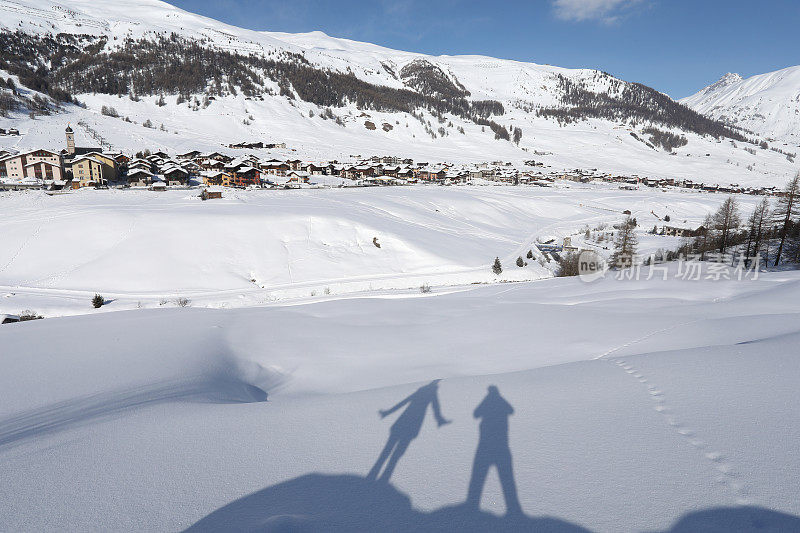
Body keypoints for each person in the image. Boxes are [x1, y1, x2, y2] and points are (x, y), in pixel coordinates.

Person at [368, 379, 451, 482]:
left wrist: (387, 412)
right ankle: (384, 479)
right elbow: (436, 407)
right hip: (411, 427)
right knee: (396, 454)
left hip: (400, 424)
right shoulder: (431, 392)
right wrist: (440, 420)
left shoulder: (421, 390)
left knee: (387, 451)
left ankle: (372, 477)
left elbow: (404, 402)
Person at [466, 385, 522, 515]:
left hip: (485, 447)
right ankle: (513, 509)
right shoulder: (500, 400)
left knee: (478, 478)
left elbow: (476, 413)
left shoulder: (488, 400)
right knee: (506, 478)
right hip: (502, 447)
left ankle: (472, 508)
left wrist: (487, 401)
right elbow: (511, 410)